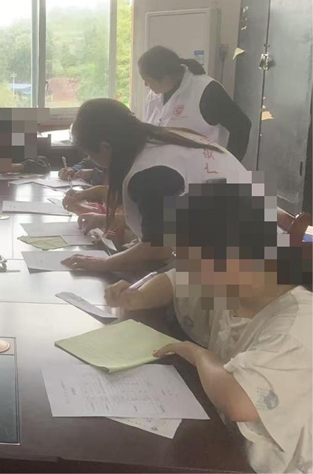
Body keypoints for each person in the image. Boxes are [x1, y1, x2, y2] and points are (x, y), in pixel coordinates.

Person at [105, 182, 311, 474]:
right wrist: (136, 297)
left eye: (191, 259)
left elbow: (239, 402)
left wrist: (198, 354)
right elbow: (174, 282)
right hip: (226, 449)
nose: (186, 269)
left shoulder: (299, 325)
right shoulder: (231, 290)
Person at [60, 99, 249, 273]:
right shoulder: (162, 140)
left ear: (105, 147)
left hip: (239, 263)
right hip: (243, 238)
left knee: (133, 289)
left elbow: (160, 247)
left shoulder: (149, 174)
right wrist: (107, 219)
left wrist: (104, 263)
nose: (93, 161)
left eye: (90, 154)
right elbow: (164, 220)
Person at [140, 46, 251, 161]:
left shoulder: (208, 91)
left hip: (202, 167)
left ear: (167, 79)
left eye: (148, 81)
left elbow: (241, 126)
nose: (146, 85)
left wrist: (229, 165)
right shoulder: (154, 95)